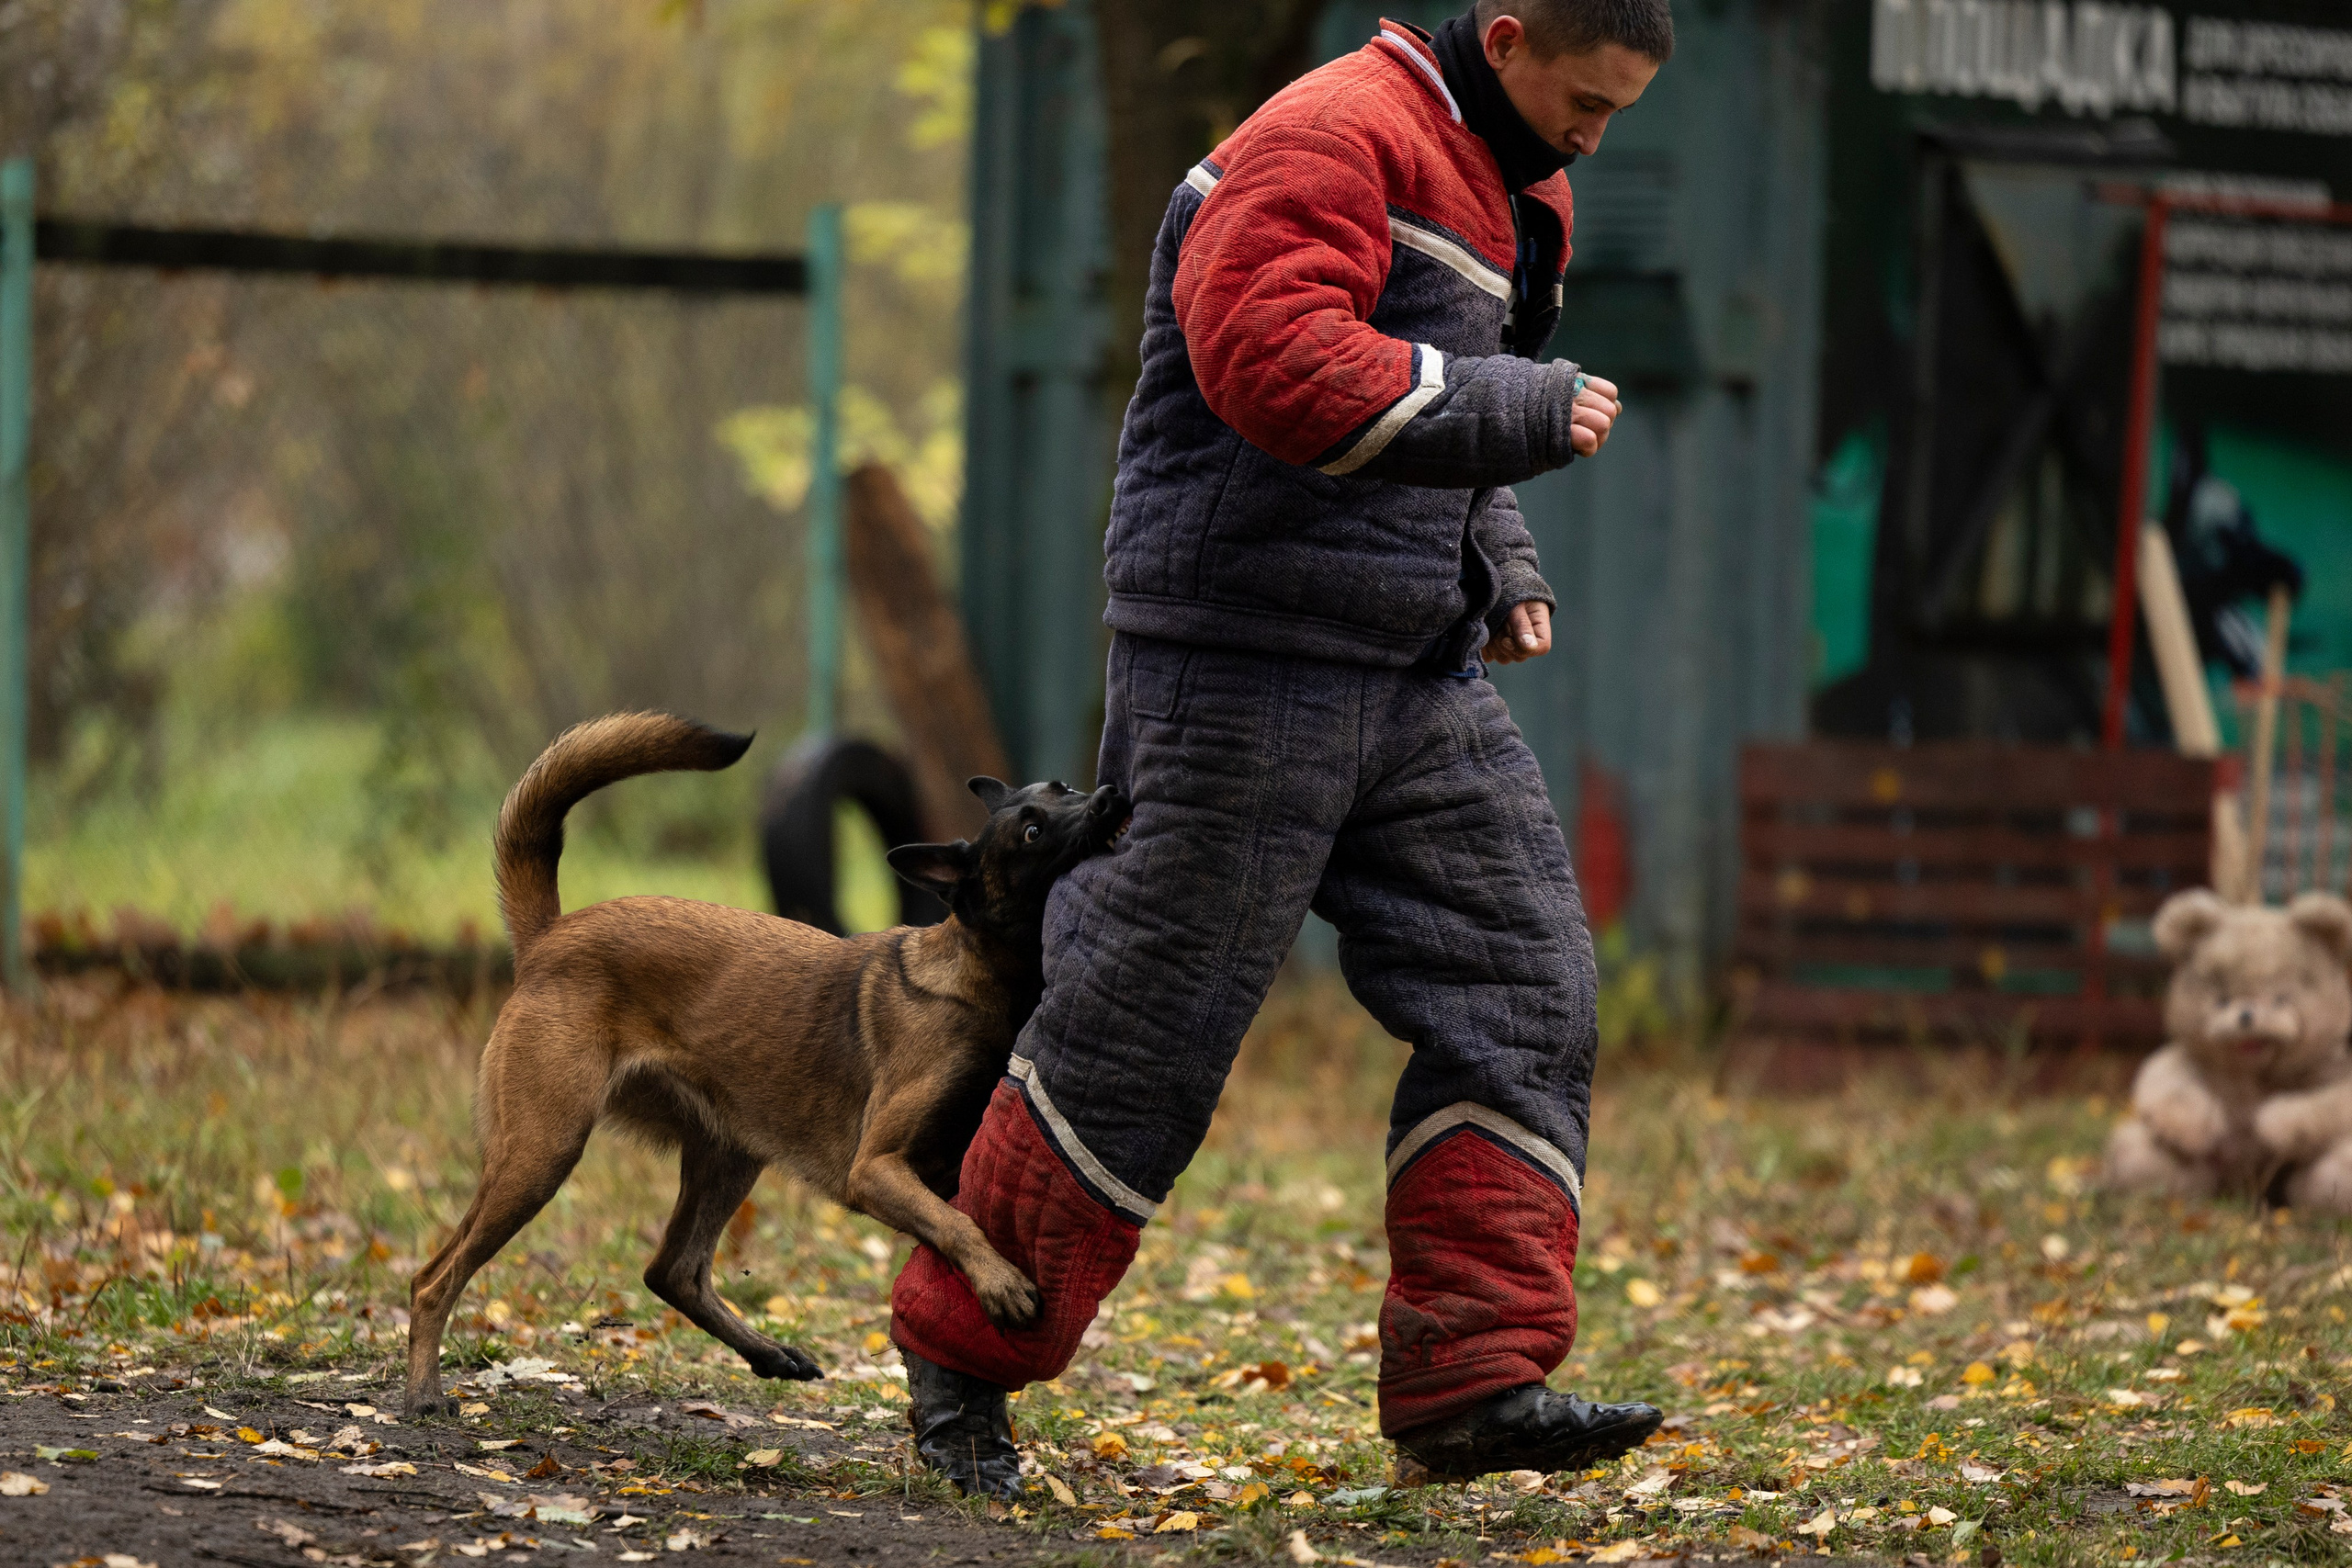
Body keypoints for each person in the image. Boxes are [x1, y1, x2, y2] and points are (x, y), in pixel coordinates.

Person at [891, 0, 1673, 1495]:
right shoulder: (1326, 137)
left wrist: (1498, 562)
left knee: (1526, 980)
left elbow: (1442, 389)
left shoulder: (1522, 185)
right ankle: (960, 1364)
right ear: (1505, 38)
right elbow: (1273, 360)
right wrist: (1523, 409)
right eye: (1584, 99)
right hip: (1237, 661)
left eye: (1619, 111)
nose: (1594, 135)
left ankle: (1472, 1381)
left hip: (1409, 669)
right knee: (1142, 1024)